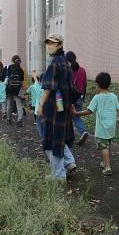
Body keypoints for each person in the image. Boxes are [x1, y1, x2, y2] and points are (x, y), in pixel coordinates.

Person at [37, 34, 77, 180]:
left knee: (51, 140)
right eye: (48, 43)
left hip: (53, 109)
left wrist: (40, 104)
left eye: (52, 43)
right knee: (58, 139)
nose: (49, 46)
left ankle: (58, 174)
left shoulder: (55, 63)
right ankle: (65, 166)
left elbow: (48, 88)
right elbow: (70, 88)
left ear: (60, 45)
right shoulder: (65, 63)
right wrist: (71, 105)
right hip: (63, 108)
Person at [73, 72, 119, 176]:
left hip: (102, 128)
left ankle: (107, 167)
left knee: (104, 147)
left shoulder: (97, 98)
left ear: (97, 85)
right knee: (107, 145)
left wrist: (76, 113)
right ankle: (105, 162)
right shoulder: (113, 96)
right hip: (111, 127)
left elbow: (89, 111)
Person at [65, 51, 89, 145]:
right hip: (79, 96)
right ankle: (83, 132)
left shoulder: (67, 71)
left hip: (70, 98)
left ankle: (68, 136)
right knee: (76, 116)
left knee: (67, 117)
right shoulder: (82, 70)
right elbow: (85, 84)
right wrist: (84, 96)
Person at [5, 55, 25, 126]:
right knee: (19, 105)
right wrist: (23, 90)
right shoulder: (21, 70)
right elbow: (22, 82)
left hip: (9, 89)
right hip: (17, 89)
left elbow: (7, 78)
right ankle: (19, 120)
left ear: (13, 61)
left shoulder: (9, 67)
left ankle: (8, 119)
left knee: (9, 105)